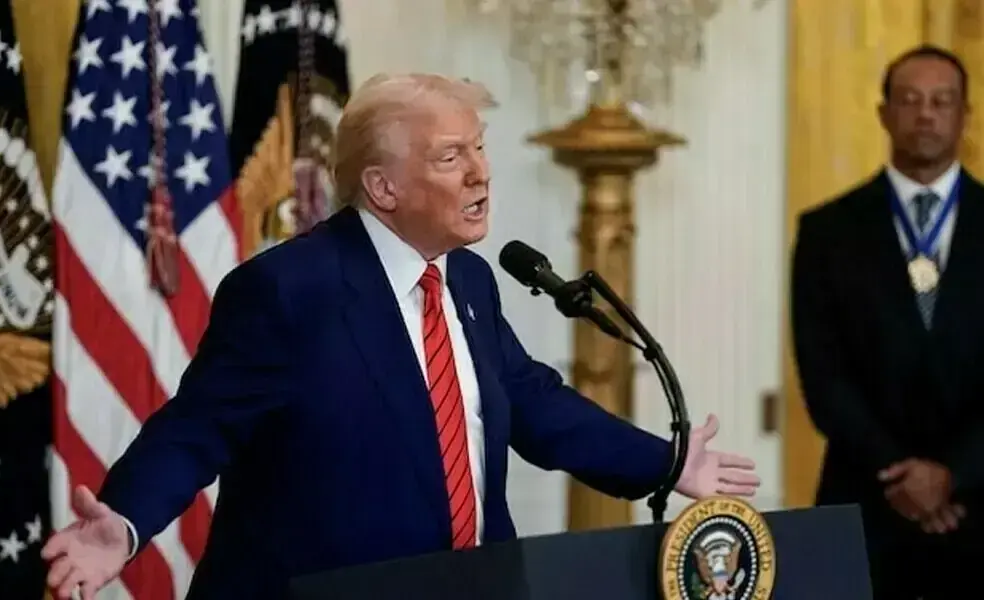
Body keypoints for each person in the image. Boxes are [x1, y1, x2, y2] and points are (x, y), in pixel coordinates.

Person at [43, 73, 760, 600]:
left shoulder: (470, 281)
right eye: (452, 158)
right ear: (383, 188)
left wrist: (666, 465)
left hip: (471, 587)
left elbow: (535, 406)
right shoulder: (290, 291)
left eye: (478, 150)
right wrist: (127, 524)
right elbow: (195, 429)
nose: (482, 174)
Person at [791, 45, 984, 599]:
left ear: (964, 114)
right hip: (866, 502)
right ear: (884, 113)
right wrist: (902, 473)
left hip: (982, 504)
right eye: (911, 100)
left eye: (942, 101)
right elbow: (823, 375)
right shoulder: (828, 231)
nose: (926, 114)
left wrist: (952, 475)